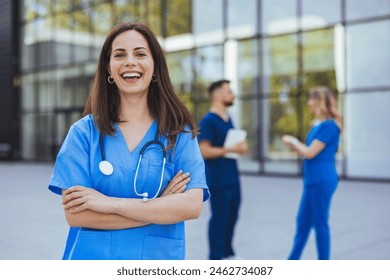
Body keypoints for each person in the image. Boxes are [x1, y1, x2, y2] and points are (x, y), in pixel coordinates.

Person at [48, 21, 209, 260]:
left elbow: (191, 206)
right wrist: (159, 206)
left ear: (155, 67)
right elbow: (77, 215)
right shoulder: (83, 133)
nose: (130, 62)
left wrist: (110, 204)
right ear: (109, 69)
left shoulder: (178, 131)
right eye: (120, 55)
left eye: (140, 54)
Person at [282, 86, 342, 260]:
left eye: (312, 105)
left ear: (321, 103)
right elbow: (308, 151)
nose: (310, 108)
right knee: (303, 222)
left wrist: (293, 141)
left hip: (322, 180)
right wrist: (297, 147)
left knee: (320, 223)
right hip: (311, 180)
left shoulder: (331, 126)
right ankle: (291, 261)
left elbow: (310, 152)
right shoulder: (317, 125)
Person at [198, 80, 248, 260]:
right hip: (218, 180)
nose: (232, 94)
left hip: (233, 178)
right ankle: (215, 259)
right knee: (219, 220)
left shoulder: (229, 118)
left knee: (232, 217)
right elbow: (204, 151)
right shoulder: (208, 120)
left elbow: (228, 147)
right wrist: (231, 149)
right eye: (228, 91)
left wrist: (239, 148)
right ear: (217, 95)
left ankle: (228, 254)